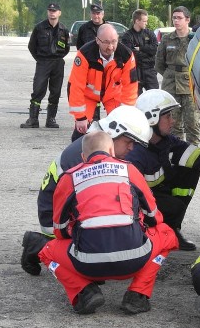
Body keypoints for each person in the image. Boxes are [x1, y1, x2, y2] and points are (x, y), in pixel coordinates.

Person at [38, 130, 179, 314]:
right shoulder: (129, 169)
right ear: (111, 150)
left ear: (83, 157)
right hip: (135, 260)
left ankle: (84, 291)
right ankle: (138, 294)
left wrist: (84, 232)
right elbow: (154, 216)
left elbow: (60, 230)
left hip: (87, 265)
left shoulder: (69, 177)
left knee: (46, 252)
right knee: (168, 234)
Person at [21, 106, 152, 276]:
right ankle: (38, 244)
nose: (131, 148)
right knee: (88, 253)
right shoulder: (84, 159)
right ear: (113, 133)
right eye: (128, 142)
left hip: (61, 212)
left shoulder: (91, 148)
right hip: (54, 221)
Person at [128, 89, 200, 251]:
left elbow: (196, 157)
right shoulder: (135, 153)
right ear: (152, 118)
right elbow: (129, 196)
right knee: (172, 206)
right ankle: (147, 234)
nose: (173, 121)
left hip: (155, 194)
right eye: (168, 116)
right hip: (139, 205)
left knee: (190, 169)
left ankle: (171, 229)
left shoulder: (166, 142)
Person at [67, 23, 138, 141]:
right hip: (89, 95)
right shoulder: (85, 54)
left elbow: (130, 87)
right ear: (97, 41)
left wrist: (126, 115)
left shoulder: (127, 55)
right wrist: (80, 118)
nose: (110, 47)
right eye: (106, 42)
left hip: (112, 95)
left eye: (114, 41)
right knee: (81, 133)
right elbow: (75, 85)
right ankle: (78, 157)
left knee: (121, 131)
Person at [155, 6, 200, 146]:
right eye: (174, 18)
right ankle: (177, 156)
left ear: (187, 20)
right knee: (173, 124)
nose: (176, 21)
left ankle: (195, 157)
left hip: (189, 85)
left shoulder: (195, 39)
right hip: (171, 86)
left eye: (179, 18)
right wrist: (170, 75)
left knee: (192, 124)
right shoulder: (167, 39)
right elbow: (159, 63)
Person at [21, 2, 70, 129]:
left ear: (59, 13)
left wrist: (57, 58)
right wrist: (40, 59)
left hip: (58, 63)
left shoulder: (64, 29)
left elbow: (66, 48)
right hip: (43, 62)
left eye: (54, 11)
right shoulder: (39, 28)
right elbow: (32, 46)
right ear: (47, 12)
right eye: (50, 11)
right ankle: (33, 119)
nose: (52, 13)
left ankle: (51, 119)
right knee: (38, 90)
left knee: (55, 91)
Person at [121, 9, 159, 95]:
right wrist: (148, 53)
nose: (146, 23)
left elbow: (155, 49)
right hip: (135, 71)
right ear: (137, 21)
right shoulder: (127, 36)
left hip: (150, 70)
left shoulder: (149, 33)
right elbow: (130, 55)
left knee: (155, 97)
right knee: (136, 99)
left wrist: (140, 48)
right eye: (144, 21)